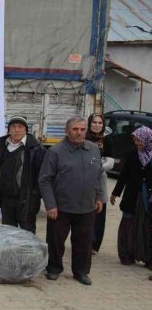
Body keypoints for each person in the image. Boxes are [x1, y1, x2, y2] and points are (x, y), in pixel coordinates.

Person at [39, 115, 103, 285]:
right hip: (61, 207)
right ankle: (53, 268)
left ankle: (81, 271)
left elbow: (99, 174)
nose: (79, 133)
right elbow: (45, 180)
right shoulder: (55, 152)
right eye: (75, 129)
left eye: (82, 129)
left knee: (83, 242)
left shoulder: (93, 149)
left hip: (87, 206)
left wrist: (100, 196)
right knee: (55, 241)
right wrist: (50, 205)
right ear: (66, 131)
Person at [0, 115, 45, 233]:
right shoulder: (2, 146)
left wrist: (34, 196)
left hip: (26, 201)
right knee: (8, 233)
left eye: (20, 126)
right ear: (9, 129)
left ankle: (30, 252)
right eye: (13, 126)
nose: (17, 129)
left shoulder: (35, 149)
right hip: (6, 200)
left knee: (27, 234)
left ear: (26, 130)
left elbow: (41, 176)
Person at [110, 126, 152, 268]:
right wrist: (115, 192)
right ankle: (127, 255)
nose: (137, 143)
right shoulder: (131, 154)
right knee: (128, 224)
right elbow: (124, 176)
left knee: (146, 226)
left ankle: (148, 257)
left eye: (140, 140)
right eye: (135, 140)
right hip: (132, 196)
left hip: (148, 198)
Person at [87, 113, 114, 254]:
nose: (97, 125)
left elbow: (110, 163)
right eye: (94, 122)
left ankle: (94, 244)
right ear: (89, 123)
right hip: (83, 179)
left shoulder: (107, 140)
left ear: (103, 125)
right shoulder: (83, 137)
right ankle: (83, 241)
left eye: (100, 123)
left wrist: (96, 167)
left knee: (99, 212)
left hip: (100, 179)